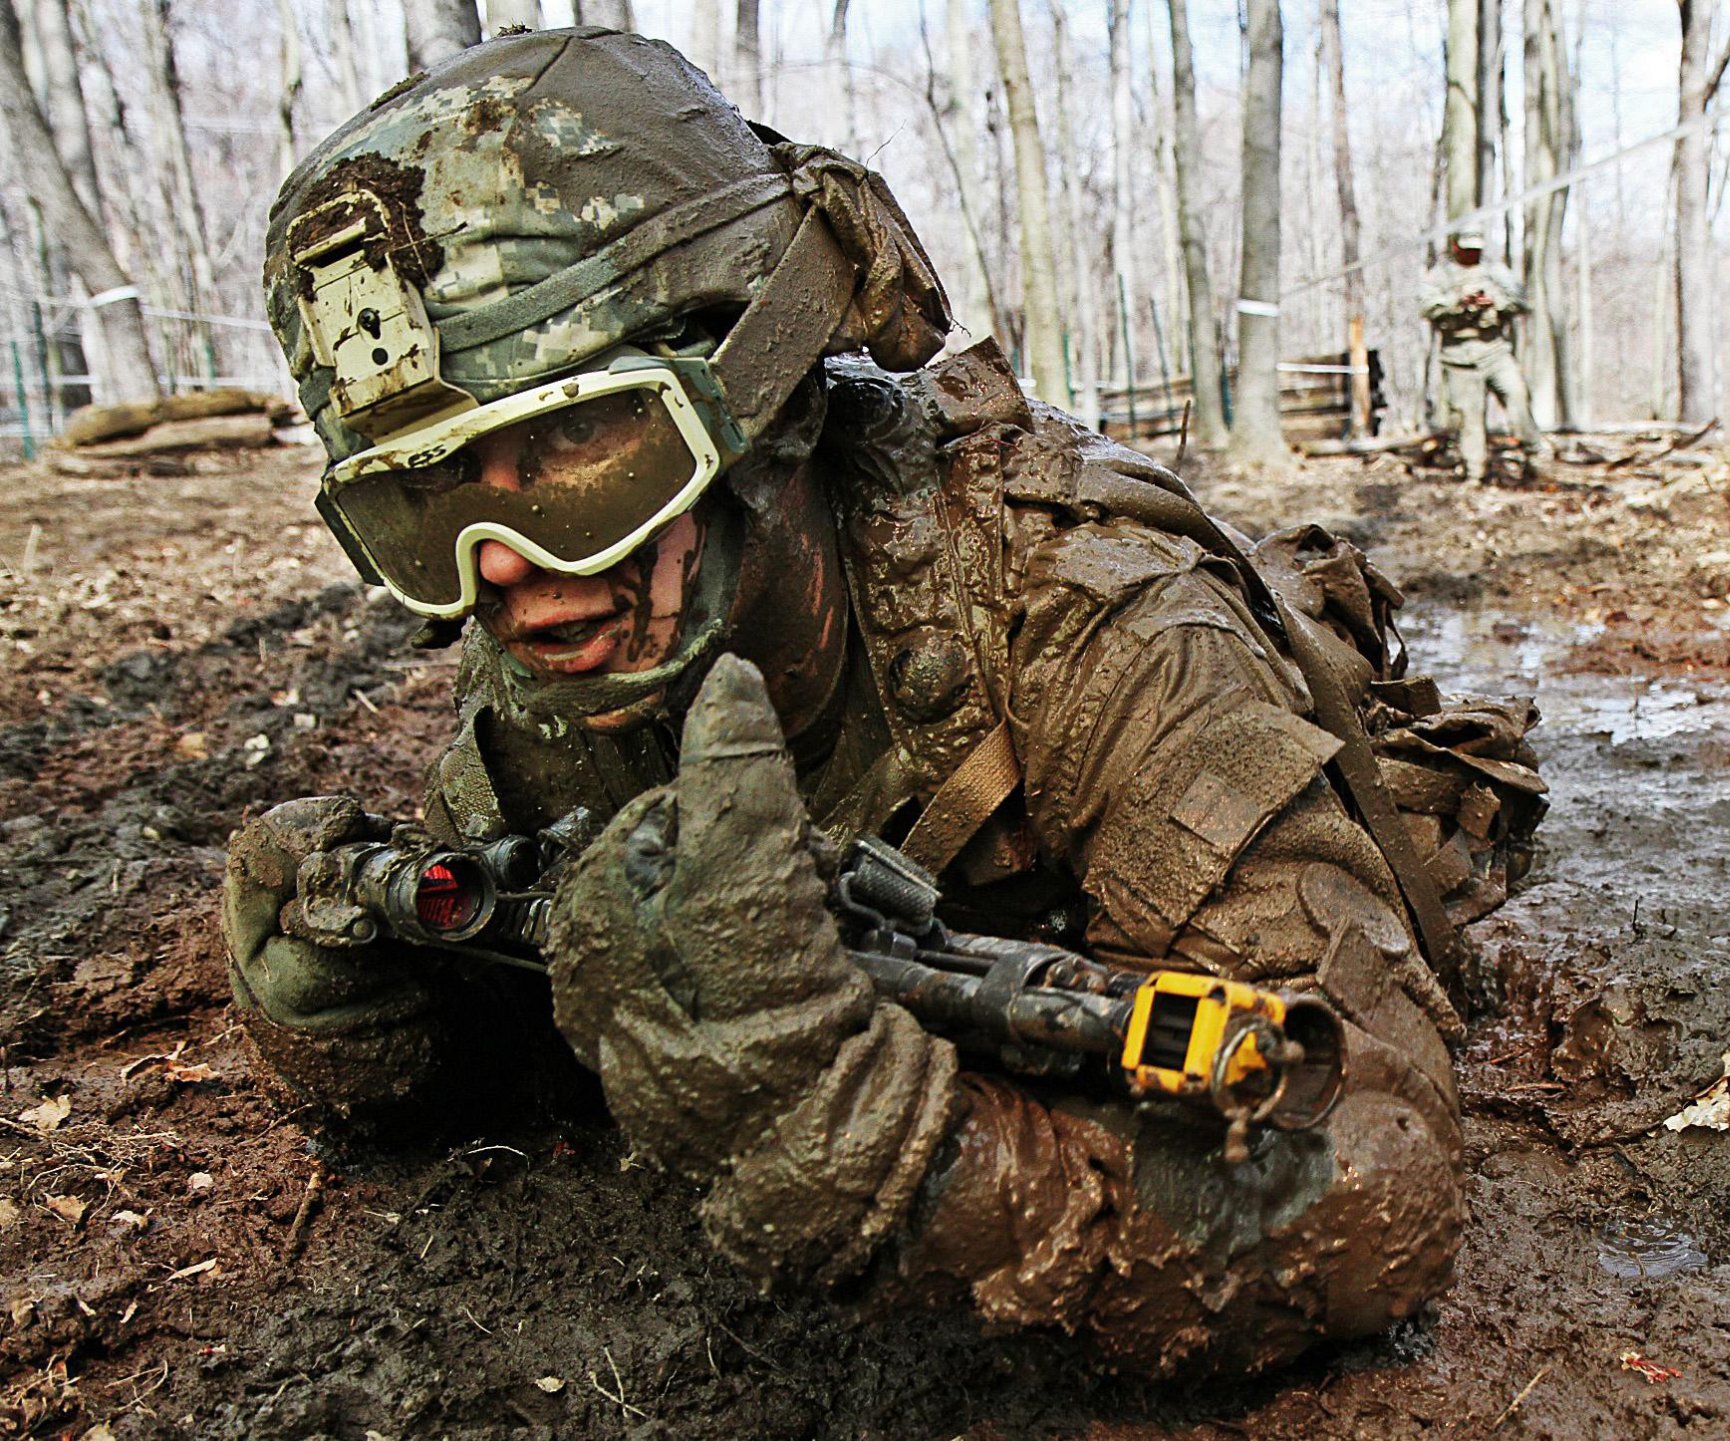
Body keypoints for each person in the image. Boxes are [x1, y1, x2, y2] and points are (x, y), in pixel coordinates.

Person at [226, 28, 1544, 1376]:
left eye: (576, 446)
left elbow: (1373, 1180)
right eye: (424, 495)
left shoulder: (1084, 617)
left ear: (766, 402)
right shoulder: (572, 638)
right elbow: (539, 1045)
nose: (503, 571)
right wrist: (358, 1019)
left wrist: (910, 1162)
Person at [1419, 224, 1546, 483]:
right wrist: (1458, 303)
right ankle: (1474, 473)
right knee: (1470, 418)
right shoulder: (1440, 276)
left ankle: (1535, 459)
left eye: (1476, 249)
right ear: (1455, 247)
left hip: (1495, 351)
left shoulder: (1495, 272)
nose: (1472, 254)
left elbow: (1522, 302)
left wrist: (1495, 302)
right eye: (1467, 249)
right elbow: (1427, 307)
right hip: (1458, 357)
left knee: (1517, 398)